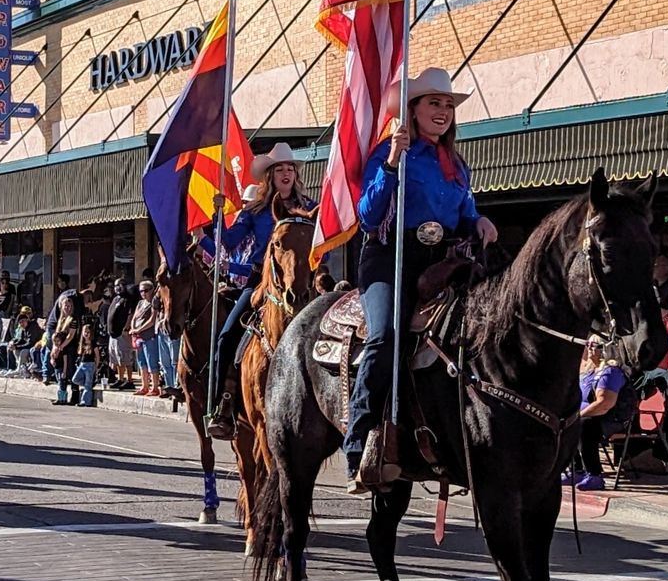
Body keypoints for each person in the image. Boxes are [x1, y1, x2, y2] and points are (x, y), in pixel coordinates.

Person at [342, 67, 498, 492]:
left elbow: (464, 213)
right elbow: (369, 215)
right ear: (411, 111)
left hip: (442, 261)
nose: (443, 112)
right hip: (390, 257)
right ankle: (359, 439)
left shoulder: (455, 163)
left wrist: (480, 220)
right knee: (386, 335)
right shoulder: (389, 153)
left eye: (448, 105)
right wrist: (392, 162)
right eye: (434, 103)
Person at [205, 141, 318, 438]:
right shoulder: (255, 210)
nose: (285, 173)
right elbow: (228, 243)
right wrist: (218, 216)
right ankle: (224, 404)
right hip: (260, 281)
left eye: (289, 168)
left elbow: (324, 247)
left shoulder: (309, 207)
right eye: (279, 169)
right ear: (269, 176)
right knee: (227, 336)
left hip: (303, 282)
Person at [565, 337, 633, 491]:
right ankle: (576, 471)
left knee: (583, 425)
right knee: (566, 421)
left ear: (605, 349)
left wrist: (578, 415)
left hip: (610, 420)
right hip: (589, 416)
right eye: (587, 344)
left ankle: (594, 475)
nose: (589, 348)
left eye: (594, 345)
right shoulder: (589, 371)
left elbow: (604, 404)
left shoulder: (610, 372)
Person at [129, 280, 160, 396]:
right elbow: (135, 317)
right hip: (138, 337)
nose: (143, 293)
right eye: (141, 291)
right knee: (141, 362)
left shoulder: (153, 302)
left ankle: (155, 387)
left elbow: (152, 320)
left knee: (151, 361)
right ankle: (144, 386)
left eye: (146, 290)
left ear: (152, 290)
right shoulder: (140, 303)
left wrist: (139, 329)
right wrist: (133, 328)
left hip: (149, 336)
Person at [51, 294, 82, 404]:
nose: (67, 308)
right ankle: (62, 396)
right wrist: (55, 348)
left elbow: (70, 336)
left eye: (69, 306)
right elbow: (55, 336)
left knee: (70, 371)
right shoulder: (60, 320)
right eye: (65, 306)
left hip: (70, 348)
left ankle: (74, 396)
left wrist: (61, 346)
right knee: (60, 373)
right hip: (60, 348)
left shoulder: (73, 320)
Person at [106, 280, 134, 390]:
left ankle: (130, 380)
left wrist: (126, 327)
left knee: (125, 357)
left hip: (121, 333)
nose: (117, 287)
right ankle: (120, 379)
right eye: (116, 285)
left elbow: (130, 313)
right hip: (112, 334)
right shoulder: (115, 298)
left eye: (120, 285)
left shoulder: (127, 299)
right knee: (116, 359)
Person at [72, 322, 101, 406]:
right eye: (85, 332)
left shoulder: (93, 343)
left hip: (90, 364)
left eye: (88, 332)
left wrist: (96, 366)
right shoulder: (82, 343)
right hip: (82, 364)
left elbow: (97, 356)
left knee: (87, 386)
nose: (86, 334)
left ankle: (85, 401)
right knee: (75, 379)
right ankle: (89, 384)